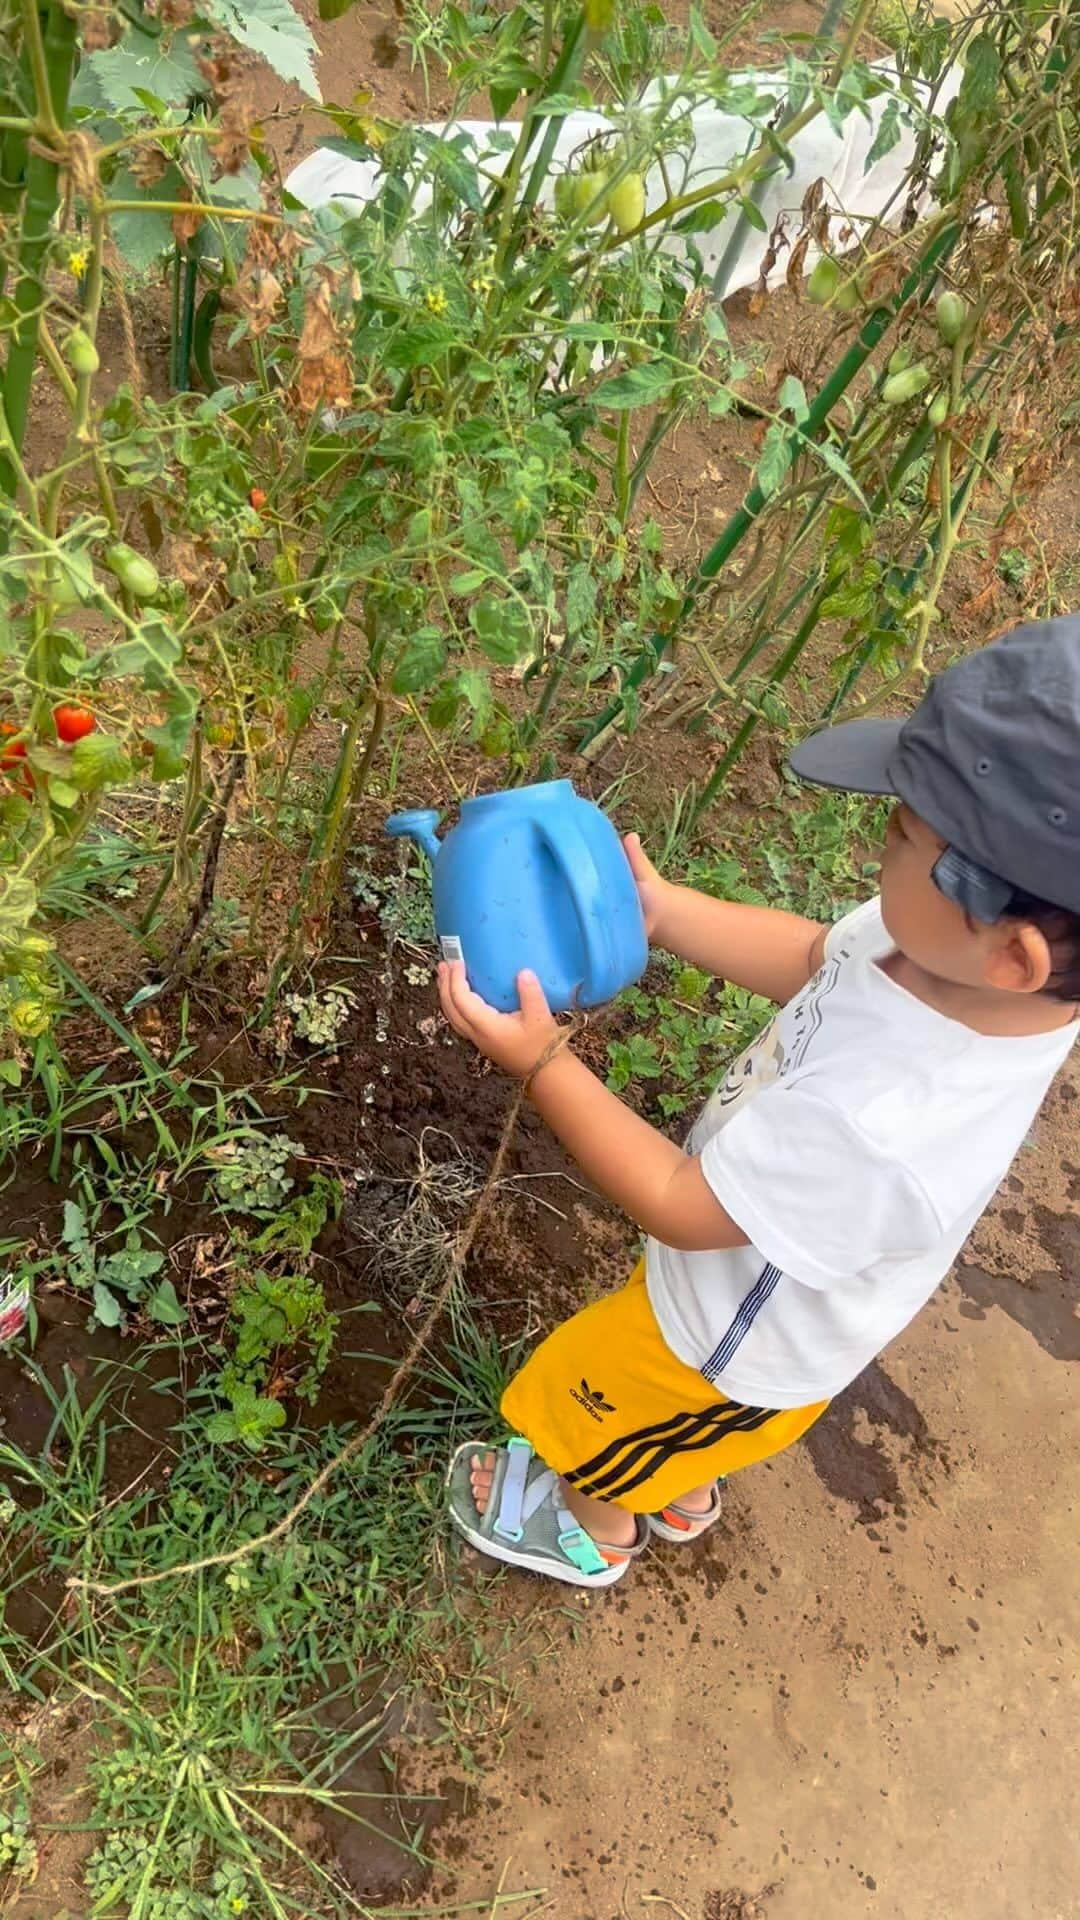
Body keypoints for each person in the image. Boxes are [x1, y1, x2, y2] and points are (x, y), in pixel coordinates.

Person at [438, 618, 1080, 1587]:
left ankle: (588, 1525)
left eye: (901, 833)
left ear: (1014, 950)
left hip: (725, 1340)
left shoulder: (885, 1124)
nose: (881, 842)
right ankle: (683, 1469)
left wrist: (544, 1065)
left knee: (602, 1395)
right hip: (765, 1278)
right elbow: (816, 961)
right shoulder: (969, 966)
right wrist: (665, 911)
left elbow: (681, 1205)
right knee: (688, 1431)